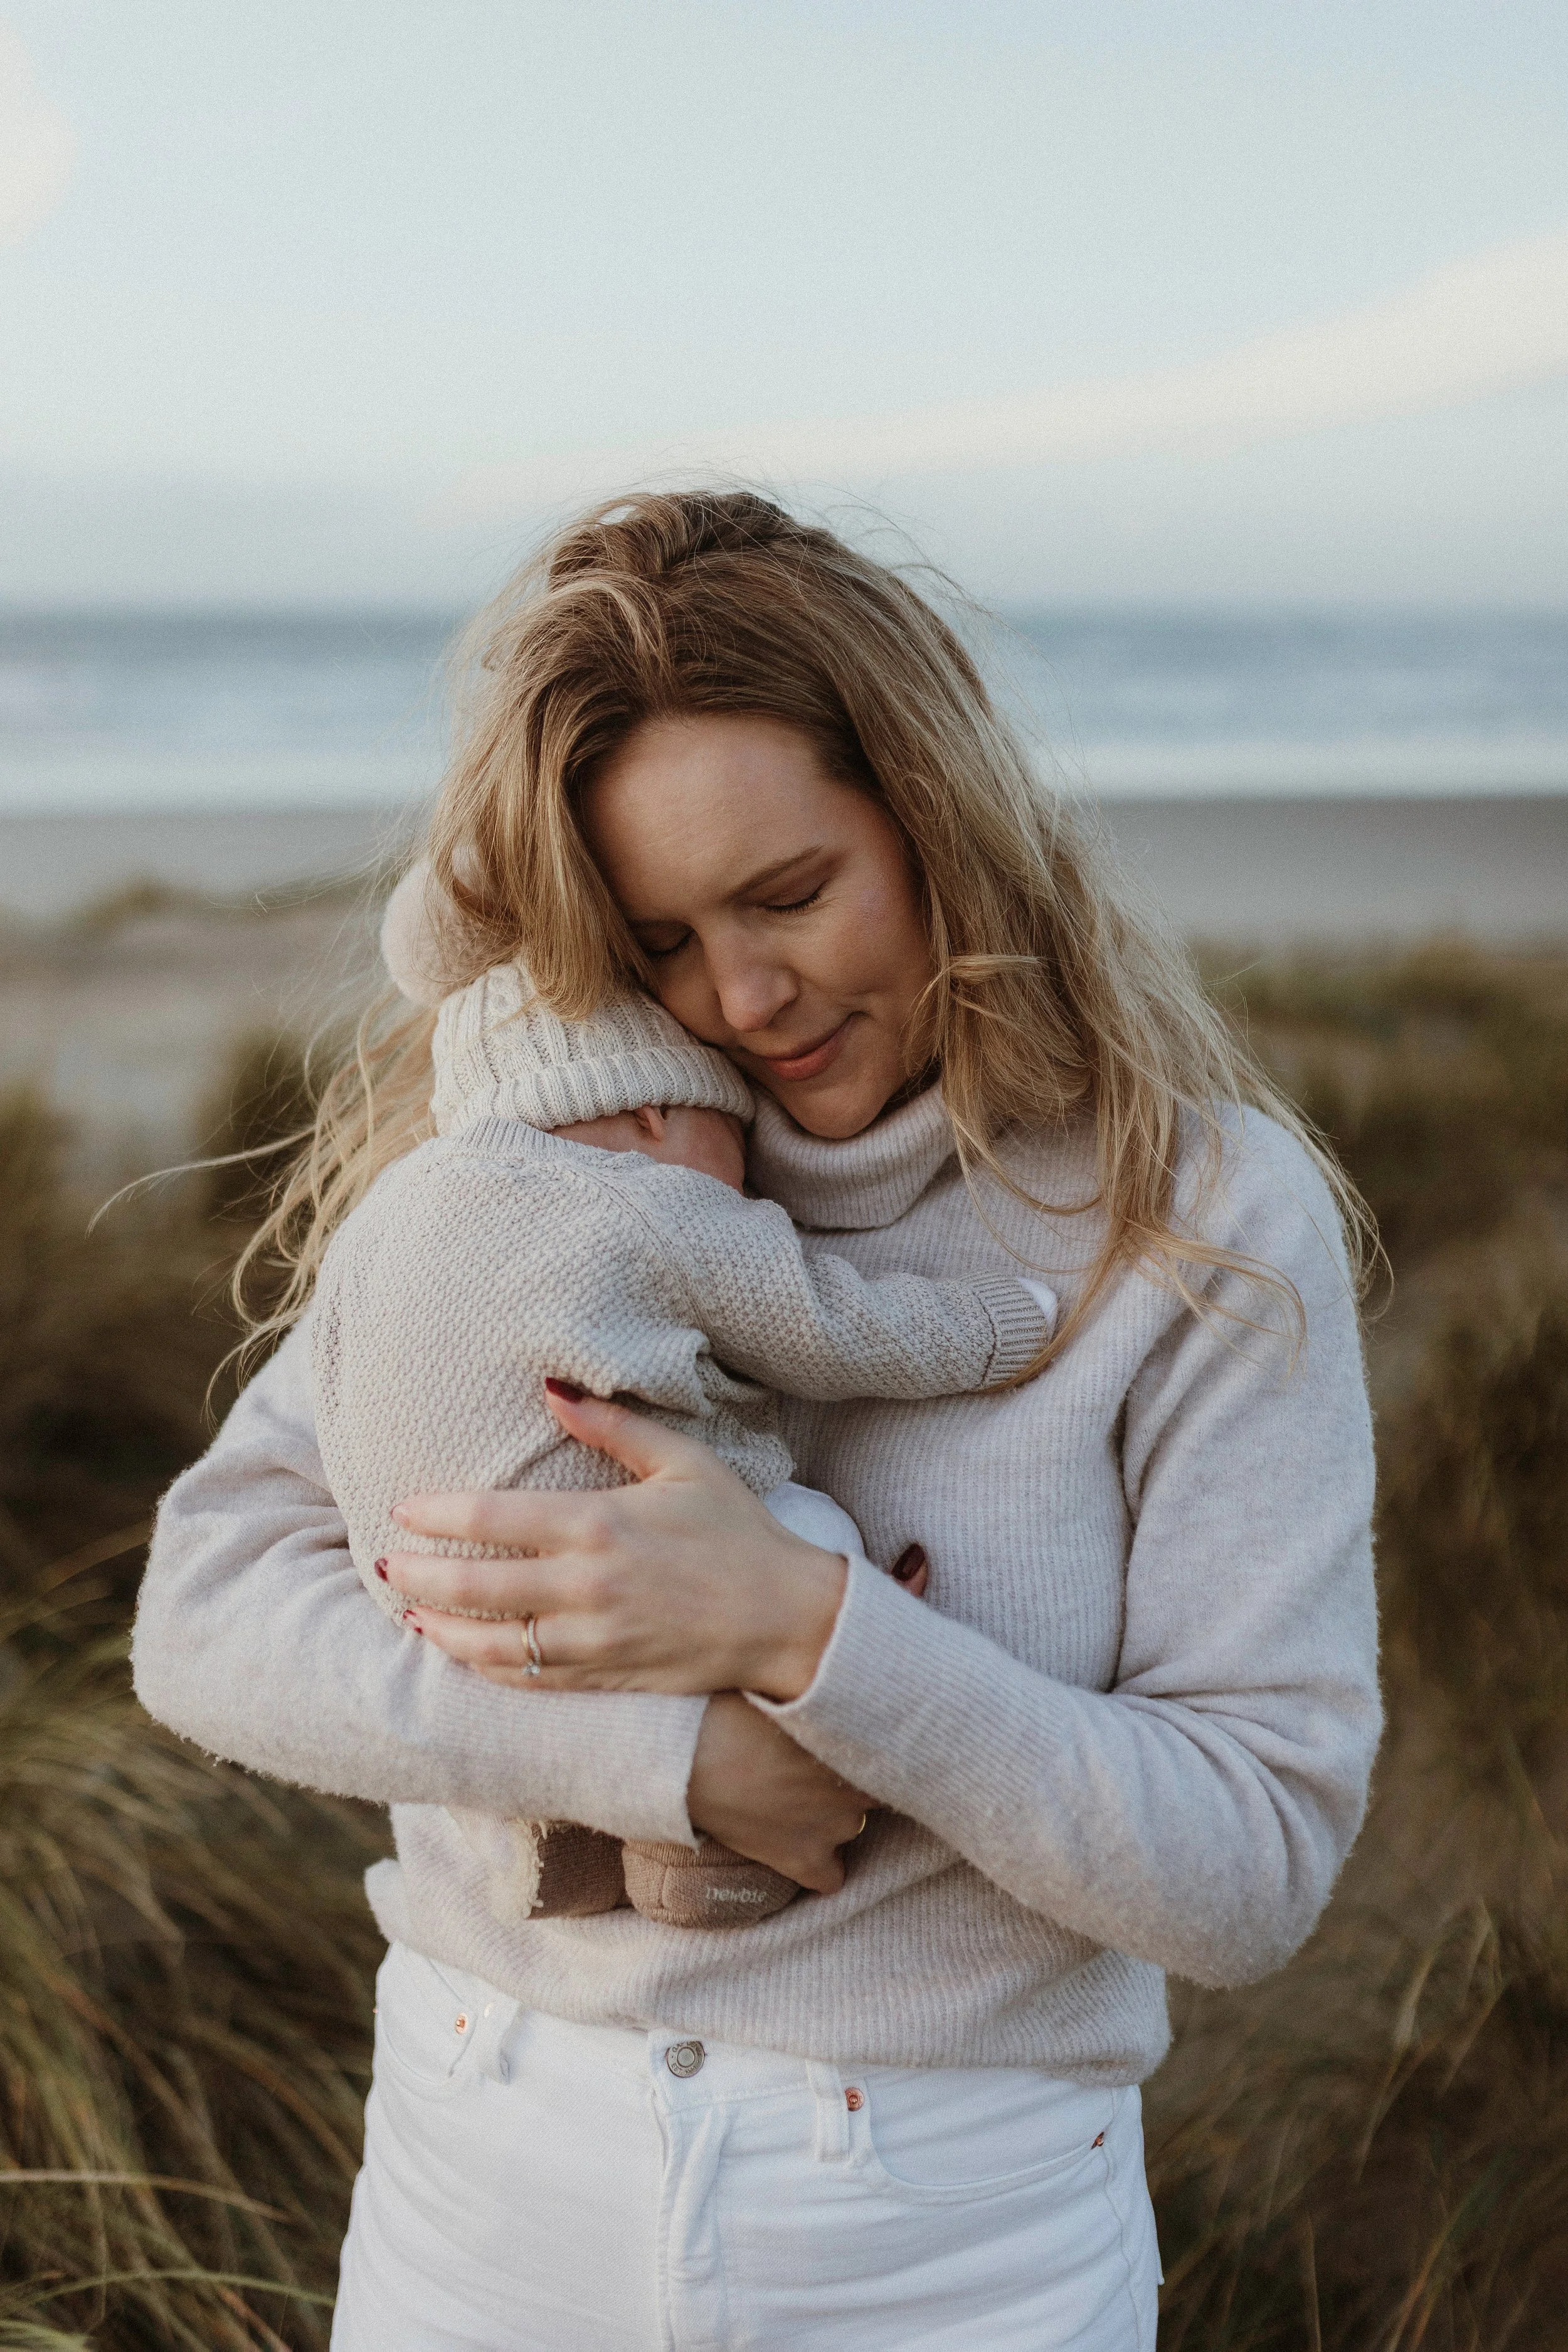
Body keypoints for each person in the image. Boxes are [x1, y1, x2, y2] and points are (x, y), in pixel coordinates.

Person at [134, 489, 1380, 2352]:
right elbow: (207, 1613)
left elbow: (1248, 1855)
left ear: (935, 816)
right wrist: (669, 1767)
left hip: (948, 2239)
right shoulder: (524, 1174)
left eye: (790, 893)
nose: (742, 996)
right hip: (481, 2175)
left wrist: (809, 1635)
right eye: (655, 943)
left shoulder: (1194, 1215)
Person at [312, 951, 1051, 1929]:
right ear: (655, 1114)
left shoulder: (385, 1216)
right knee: (802, 1526)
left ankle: (554, 1837)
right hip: (634, 1549)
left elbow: (326, 1393)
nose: (750, 1194)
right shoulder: (643, 1196)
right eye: (734, 1142)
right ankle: (706, 1866)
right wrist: (1009, 1324)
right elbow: (829, 1322)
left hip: (433, 1590)